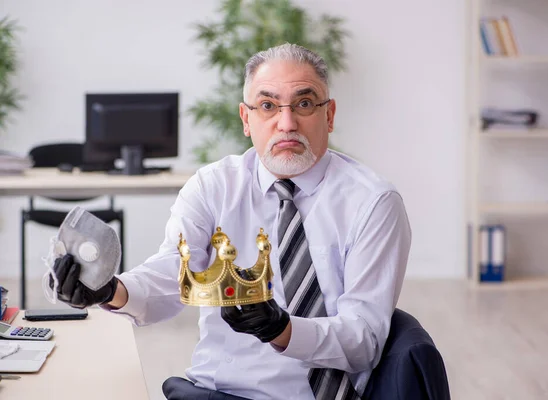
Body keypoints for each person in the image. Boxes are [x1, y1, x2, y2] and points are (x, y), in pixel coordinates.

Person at [50, 43, 412, 400]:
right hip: (221, 392)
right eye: (268, 105)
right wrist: (111, 290)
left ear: (329, 115)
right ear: (246, 118)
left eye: (304, 104)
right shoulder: (214, 187)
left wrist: (284, 331)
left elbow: (365, 340)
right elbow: (175, 275)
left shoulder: (373, 202)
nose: (286, 124)